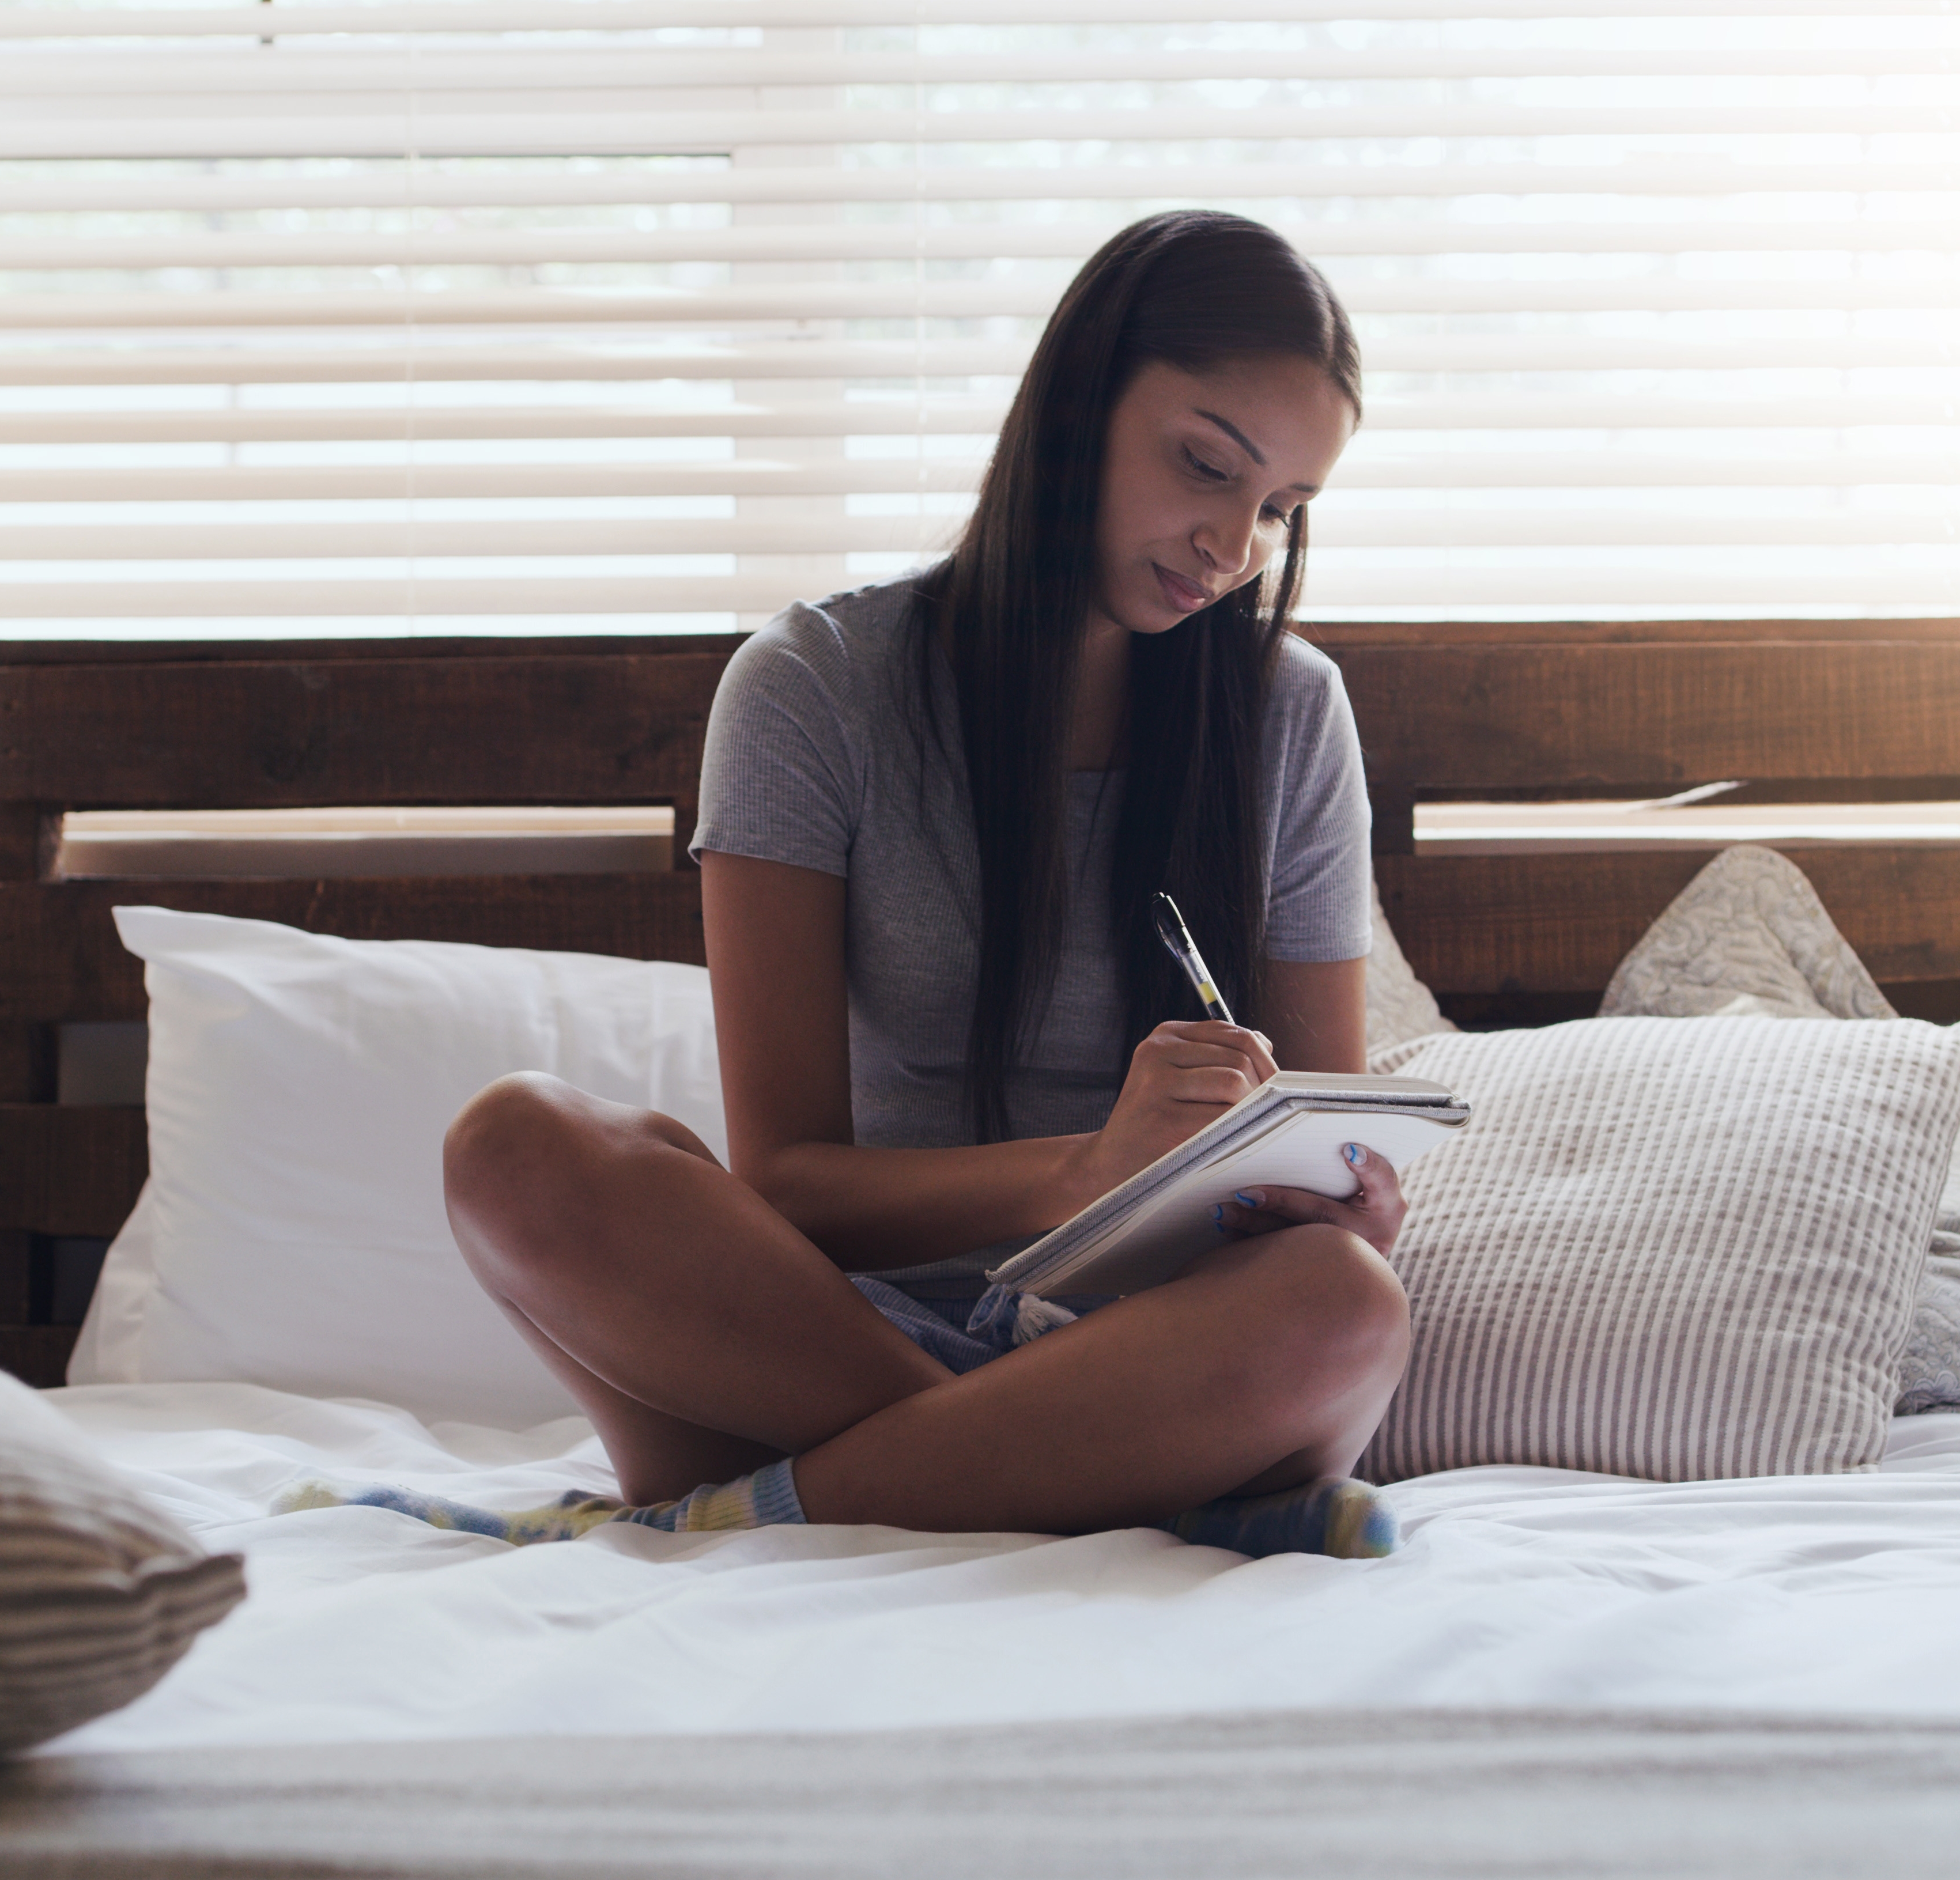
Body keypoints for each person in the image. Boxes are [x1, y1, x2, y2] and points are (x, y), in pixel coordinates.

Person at [416, 211, 1410, 1560]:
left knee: (1342, 1298)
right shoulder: (813, 689)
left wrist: (1338, 1193)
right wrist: (1081, 1171)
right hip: (821, 1341)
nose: (1232, 546)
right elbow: (786, 1184)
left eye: (1279, 510)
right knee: (515, 1143)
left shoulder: (1290, 716)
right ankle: (1045, 1477)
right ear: (1079, 398)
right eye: (1204, 466)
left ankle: (775, 1507)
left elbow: (1317, 1136)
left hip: (1154, 1357)